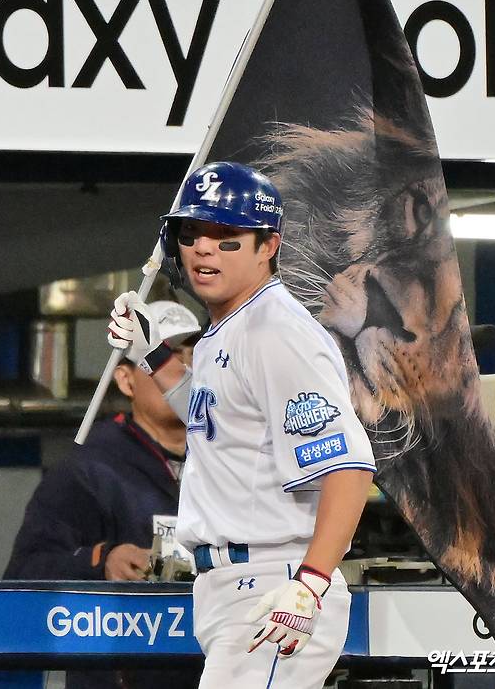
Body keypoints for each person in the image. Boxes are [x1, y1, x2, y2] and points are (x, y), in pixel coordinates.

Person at [108, 161, 376, 689]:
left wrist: (311, 584)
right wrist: (152, 354)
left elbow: (350, 468)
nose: (204, 249)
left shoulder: (276, 331)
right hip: (233, 584)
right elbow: (215, 418)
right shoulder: (229, 327)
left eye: (226, 235)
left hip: (275, 581)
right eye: (192, 233)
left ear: (268, 245)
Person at [4, 300, 201, 689]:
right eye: (161, 358)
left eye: (191, 356)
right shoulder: (89, 468)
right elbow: (23, 575)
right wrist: (102, 562)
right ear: (126, 380)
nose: (182, 370)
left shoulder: (233, 458)